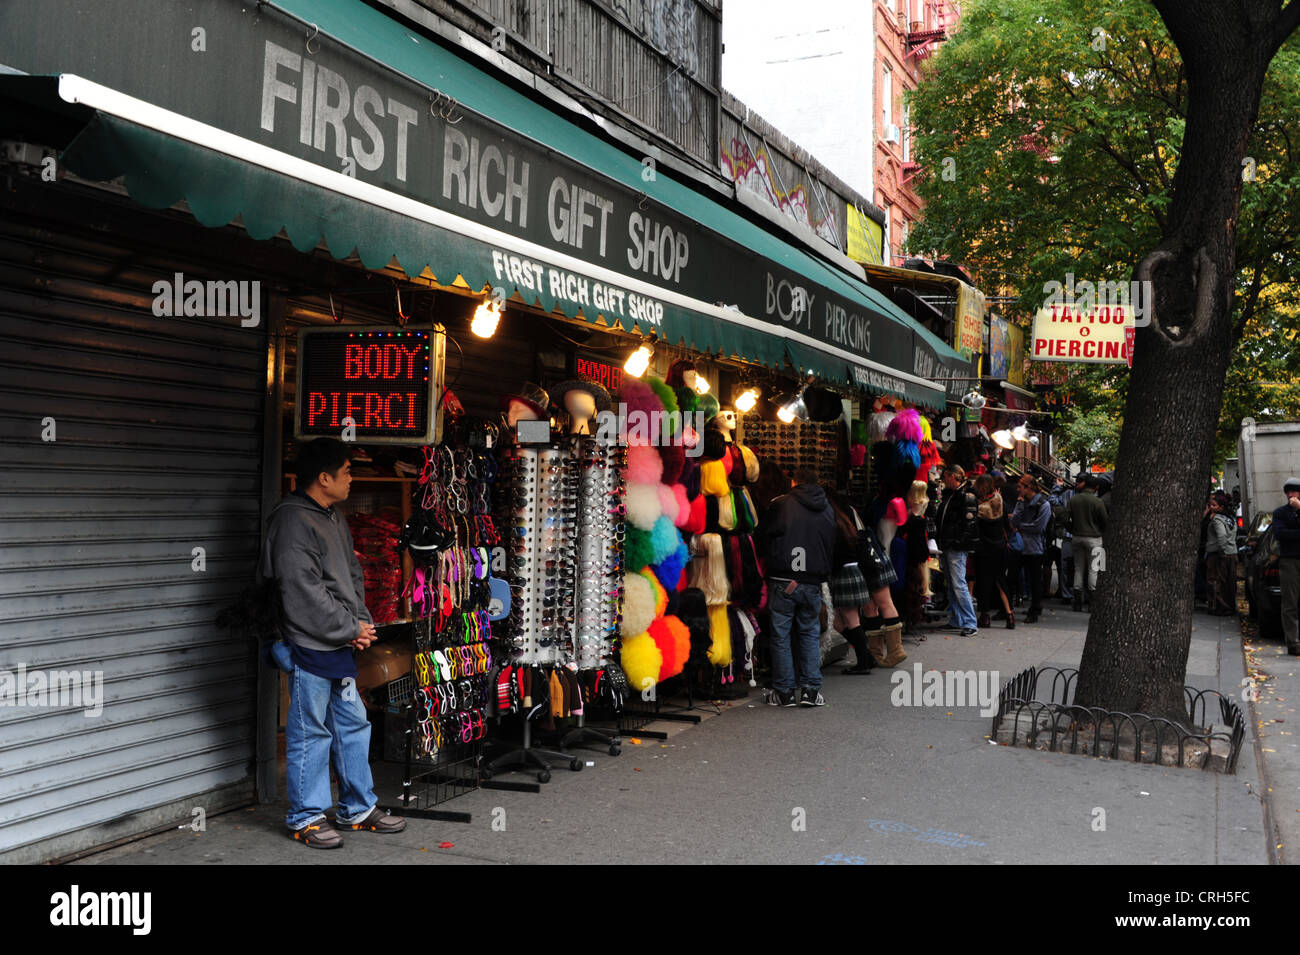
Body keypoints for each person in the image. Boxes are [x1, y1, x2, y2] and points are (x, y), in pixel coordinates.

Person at [259, 438, 406, 848]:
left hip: (337, 642)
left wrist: (360, 621)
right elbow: (300, 590)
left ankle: (357, 808)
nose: (351, 478)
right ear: (324, 478)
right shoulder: (291, 522)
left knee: (353, 724)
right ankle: (305, 817)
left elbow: (352, 574)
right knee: (310, 731)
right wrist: (349, 628)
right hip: (308, 643)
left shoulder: (333, 516)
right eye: (346, 472)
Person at [757, 467, 838, 707]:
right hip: (812, 579)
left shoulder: (781, 504)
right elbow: (831, 543)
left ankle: (783, 692)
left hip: (783, 578)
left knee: (780, 634)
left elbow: (762, 538)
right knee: (810, 633)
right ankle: (810, 691)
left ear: (794, 482)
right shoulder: (827, 508)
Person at [824, 487, 904, 674]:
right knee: (875, 606)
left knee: (879, 605)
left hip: (864, 563)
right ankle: (875, 653)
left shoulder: (836, 515)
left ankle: (890, 652)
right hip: (871, 559)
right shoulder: (849, 510)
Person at [935, 464, 979, 636]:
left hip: (955, 546)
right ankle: (958, 619)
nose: (944, 479)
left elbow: (970, 524)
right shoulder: (953, 494)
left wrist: (958, 541)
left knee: (958, 584)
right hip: (949, 544)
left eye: (945, 476)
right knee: (953, 584)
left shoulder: (965, 496)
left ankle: (969, 622)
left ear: (953, 476)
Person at [973, 474, 1014, 629]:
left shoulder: (980, 508)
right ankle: (1010, 615)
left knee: (984, 583)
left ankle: (985, 616)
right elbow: (1006, 524)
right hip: (1000, 547)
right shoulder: (999, 500)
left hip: (984, 549)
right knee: (1000, 581)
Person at [1010, 475, 1052, 624]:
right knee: (1012, 577)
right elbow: (1013, 522)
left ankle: (1034, 609)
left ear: (1029, 487)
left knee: (1035, 581)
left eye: (1020, 487)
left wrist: (1021, 527)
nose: (1018, 490)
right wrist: (1019, 507)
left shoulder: (1043, 505)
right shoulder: (1021, 502)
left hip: (1035, 548)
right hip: (1020, 546)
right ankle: (1007, 608)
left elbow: (1038, 527)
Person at [1067, 474, 1108, 612]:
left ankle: (1077, 601)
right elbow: (1105, 521)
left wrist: (1072, 530)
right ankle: (1093, 601)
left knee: (1079, 569)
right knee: (1094, 569)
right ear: (1095, 487)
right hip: (1095, 538)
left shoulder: (1074, 500)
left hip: (1077, 537)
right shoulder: (1098, 502)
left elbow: (1066, 518)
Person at [1274, 477, 1300, 655]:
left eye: (1294, 491)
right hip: (1290, 560)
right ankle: (1293, 642)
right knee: (1290, 602)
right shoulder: (1280, 513)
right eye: (1288, 491)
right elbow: (1281, 533)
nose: (1291, 494)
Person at [1204, 491, 1238, 615]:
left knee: (1217, 581)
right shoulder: (1231, 518)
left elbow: (1222, 535)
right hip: (1232, 553)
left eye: (1214, 505)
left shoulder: (1217, 519)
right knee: (1230, 582)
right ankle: (1230, 606)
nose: (1211, 507)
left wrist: (1222, 550)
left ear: (1221, 507)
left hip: (1219, 554)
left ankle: (1221, 607)